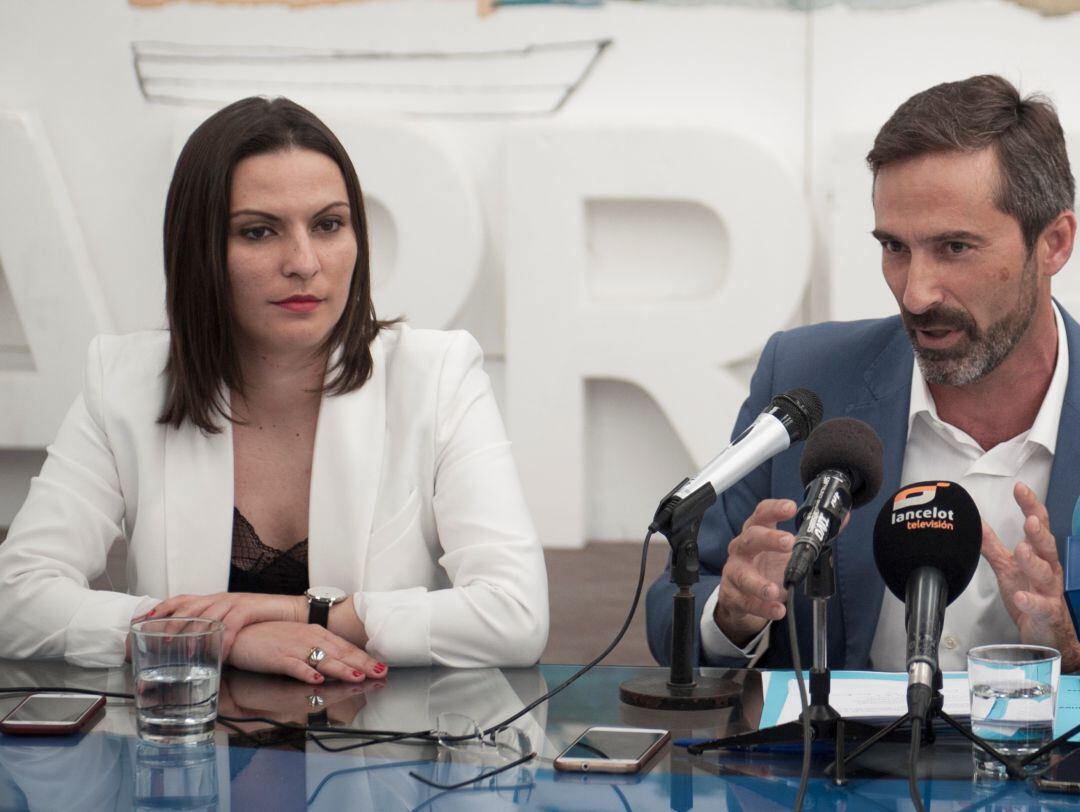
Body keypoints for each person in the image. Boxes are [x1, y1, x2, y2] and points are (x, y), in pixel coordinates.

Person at [0, 97, 548, 682]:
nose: (304, 262)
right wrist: (217, 640)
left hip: (381, 753)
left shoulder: (437, 375)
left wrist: (305, 614)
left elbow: (515, 615)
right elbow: (15, 601)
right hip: (186, 755)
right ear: (199, 250)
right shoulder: (124, 382)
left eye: (328, 224)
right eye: (259, 232)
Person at [646, 74, 1080, 674]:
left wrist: (1068, 650)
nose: (917, 292)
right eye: (895, 247)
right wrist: (733, 613)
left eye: (955, 247)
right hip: (838, 767)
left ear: (1054, 243)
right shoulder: (806, 379)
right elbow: (677, 604)